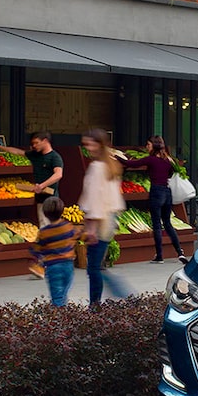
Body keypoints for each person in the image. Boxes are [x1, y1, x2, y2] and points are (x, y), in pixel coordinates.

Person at [76, 128, 135, 306]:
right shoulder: (111, 165)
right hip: (109, 221)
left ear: (98, 144)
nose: (87, 147)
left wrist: (91, 228)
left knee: (94, 268)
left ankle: (97, 305)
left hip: (98, 223)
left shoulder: (96, 168)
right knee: (97, 266)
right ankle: (109, 298)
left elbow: (94, 199)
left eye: (89, 143)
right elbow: (114, 198)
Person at [0, 131, 64, 277]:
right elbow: (18, 152)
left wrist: (41, 185)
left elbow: (58, 174)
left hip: (51, 200)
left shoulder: (55, 157)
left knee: (46, 231)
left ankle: (43, 265)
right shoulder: (35, 155)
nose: (33, 146)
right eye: (32, 143)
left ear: (45, 141)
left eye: (36, 143)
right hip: (41, 200)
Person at [119, 135, 187, 264]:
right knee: (167, 223)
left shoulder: (151, 160)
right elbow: (172, 173)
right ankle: (179, 252)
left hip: (156, 192)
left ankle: (159, 256)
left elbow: (131, 164)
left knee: (156, 225)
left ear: (154, 146)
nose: (146, 147)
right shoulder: (168, 160)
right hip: (167, 193)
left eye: (148, 144)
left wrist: (117, 158)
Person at [31, 196, 79, 306]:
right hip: (68, 266)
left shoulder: (44, 232)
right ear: (62, 211)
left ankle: (59, 318)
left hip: (53, 267)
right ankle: (64, 314)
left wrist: (34, 259)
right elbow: (78, 235)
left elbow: (37, 249)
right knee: (63, 293)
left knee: (57, 296)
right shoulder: (68, 226)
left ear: (45, 214)